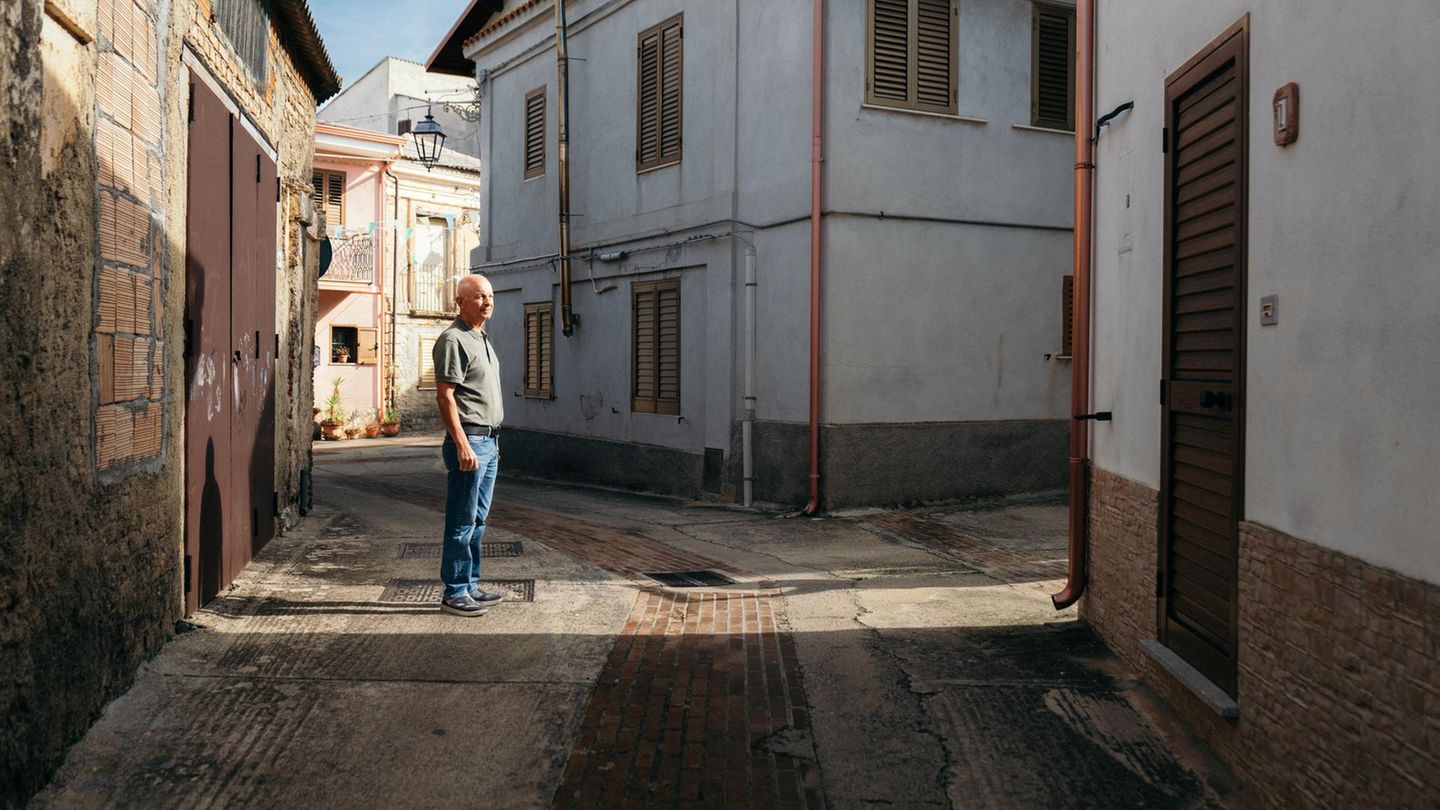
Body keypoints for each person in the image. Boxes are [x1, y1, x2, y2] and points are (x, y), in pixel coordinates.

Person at [433, 274, 507, 617]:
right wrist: (462, 444)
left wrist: (492, 440)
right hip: (471, 440)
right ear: (460, 302)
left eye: (489, 296)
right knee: (462, 520)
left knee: (478, 520)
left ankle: (470, 584)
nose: (487, 301)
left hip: (489, 441)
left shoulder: (481, 338)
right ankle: (455, 591)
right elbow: (445, 397)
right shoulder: (454, 339)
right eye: (479, 296)